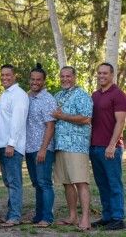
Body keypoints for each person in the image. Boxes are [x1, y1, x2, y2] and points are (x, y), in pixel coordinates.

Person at [52, 66, 93, 231]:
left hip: (76, 146)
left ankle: (85, 218)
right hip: (60, 145)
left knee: (80, 182)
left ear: (74, 77)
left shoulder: (82, 95)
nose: (64, 79)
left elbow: (86, 119)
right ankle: (72, 215)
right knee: (67, 183)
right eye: (62, 76)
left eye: (68, 76)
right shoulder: (57, 95)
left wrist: (64, 117)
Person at [90, 63, 126, 230]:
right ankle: (107, 216)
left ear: (112, 74)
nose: (101, 75)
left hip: (111, 148)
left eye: (105, 73)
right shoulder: (95, 95)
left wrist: (112, 145)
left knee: (114, 183)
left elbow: (120, 122)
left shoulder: (118, 94)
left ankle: (118, 218)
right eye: (99, 73)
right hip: (95, 147)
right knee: (102, 184)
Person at [0, 64, 29, 227]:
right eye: (2, 75)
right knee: (8, 181)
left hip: (11, 146)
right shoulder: (5, 94)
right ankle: (10, 213)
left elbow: (18, 121)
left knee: (14, 182)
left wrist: (11, 144)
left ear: (15, 76)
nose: (4, 78)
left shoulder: (19, 95)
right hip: (2, 144)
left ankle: (15, 216)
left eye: (7, 75)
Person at [25, 64, 56, 228]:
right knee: (37, 183)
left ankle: (48, 217)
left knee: (44, 183)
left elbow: (50, 126)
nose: (35, 82)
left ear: (44, 81)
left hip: (42, 148)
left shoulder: (48, 99)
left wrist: (43, 149)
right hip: (29, 148)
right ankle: (38, 216)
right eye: (33, 79)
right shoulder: (27, 97)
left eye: (38, 80)